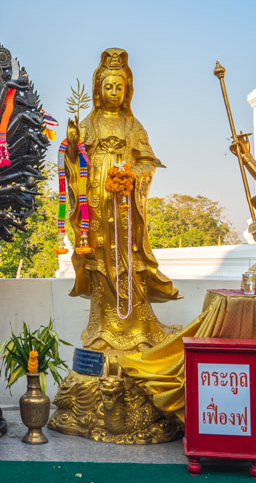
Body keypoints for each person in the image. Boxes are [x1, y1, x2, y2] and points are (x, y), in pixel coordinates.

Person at [64, 48, 179, 354]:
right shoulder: (90, 124)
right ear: (97, 90)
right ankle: (102, 328)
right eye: (108, 86)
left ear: (128, 91)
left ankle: (139, 329)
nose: (113, 92)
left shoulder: (133, 126)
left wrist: (133, 175)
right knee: (99, 261)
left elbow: (148, 162)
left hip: (125, 204)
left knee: (128, 258)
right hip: (97, 203)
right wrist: (73, 146)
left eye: (119, 87)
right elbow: (73, 161)